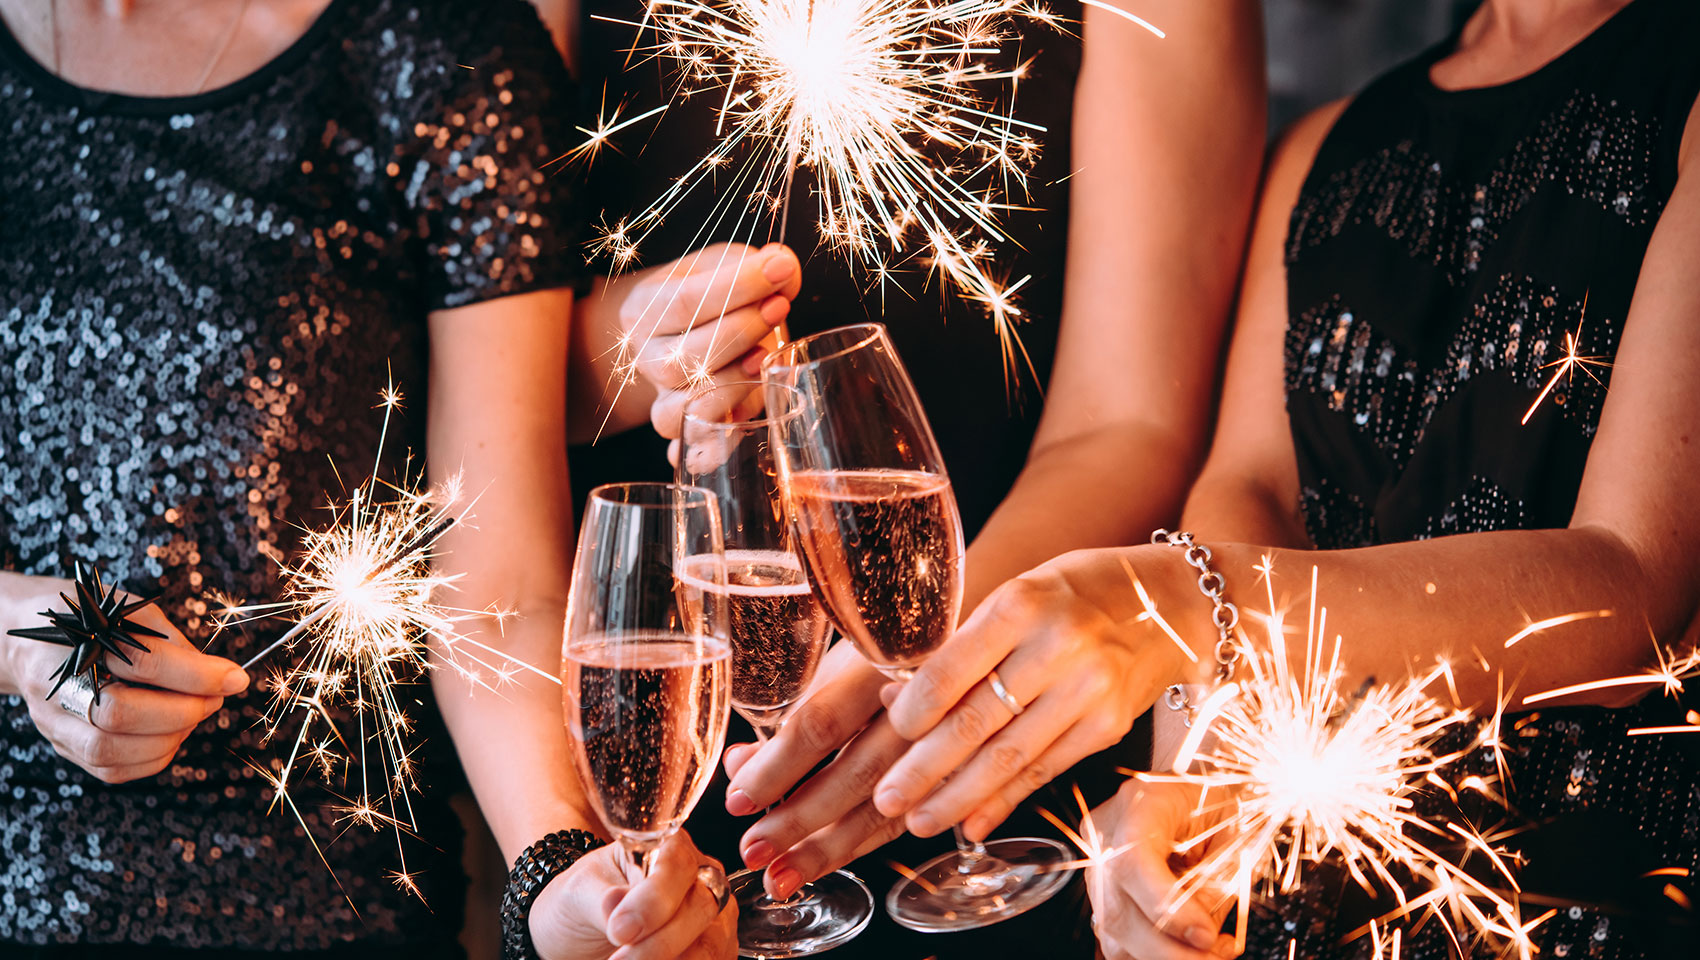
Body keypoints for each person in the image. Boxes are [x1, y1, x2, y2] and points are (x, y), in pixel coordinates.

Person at [830, 0, 1700, 957]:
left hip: (1603, 903)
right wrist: (1183, 781)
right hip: (1309, 917)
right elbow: (1247, 496)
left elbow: (1632, 586)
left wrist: (1192, 607)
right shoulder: (1318, 157)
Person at [0, 2, 732, 958]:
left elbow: (497, 590)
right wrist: (22, 643)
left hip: (331, 901)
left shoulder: (444, 49)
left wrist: (555, 872)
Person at [558, 0, 1269, 954]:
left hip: (1004, 752)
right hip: (641, 743)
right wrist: (623, 352)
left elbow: (1134, 421)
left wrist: (932, 672)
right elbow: (465, 383)